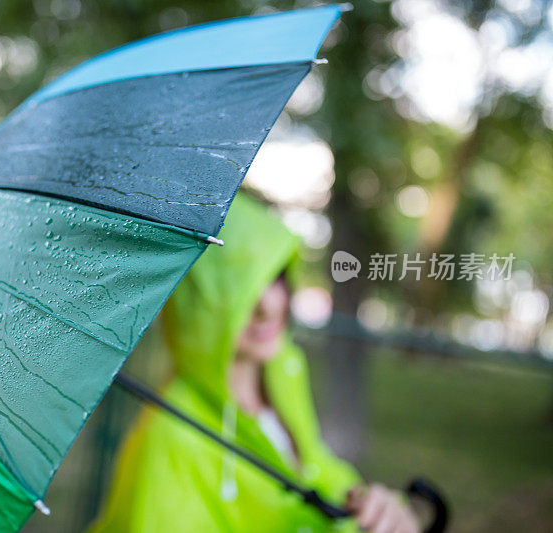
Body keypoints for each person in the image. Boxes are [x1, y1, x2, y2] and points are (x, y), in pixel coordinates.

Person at [89, 192, 420, 533]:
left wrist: (369, 508)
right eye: (239, 288)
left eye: (274, 276)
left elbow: (313, 467)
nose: (270, 305)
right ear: (197, 304)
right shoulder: (170, 439)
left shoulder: (284, 369)